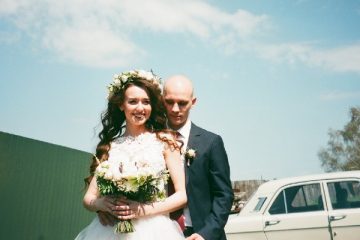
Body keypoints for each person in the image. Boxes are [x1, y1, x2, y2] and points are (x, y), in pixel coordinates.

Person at [75, 70, 187, 240]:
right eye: (133, 102)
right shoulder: (110, 146)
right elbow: (88, 198)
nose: (140, 108)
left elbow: (181, 196)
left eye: (146, 102)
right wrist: (102, 204)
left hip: (155, 230)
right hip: (110, 231)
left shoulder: (165, 141)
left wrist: (141, 209)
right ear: (121, 105)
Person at [162, 75, 234, 240]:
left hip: (200, 233)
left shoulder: (211, 142)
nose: (175, 109)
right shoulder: (150, 140)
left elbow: (224, 195)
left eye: (182, 103)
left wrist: (206, 234)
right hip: (160, 231)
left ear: (193, 102)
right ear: (162, 100)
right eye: (169, 101)